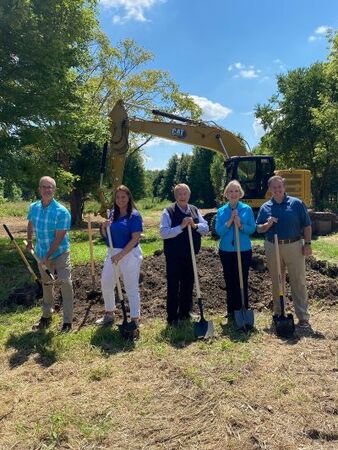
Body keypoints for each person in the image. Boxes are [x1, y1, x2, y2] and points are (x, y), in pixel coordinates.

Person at [256, 175, 312, 328]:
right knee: (277, 281)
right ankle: (279, 312)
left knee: (298, 280)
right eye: (274, 187)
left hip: (294, 245)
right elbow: (258, 228)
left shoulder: (296, 204)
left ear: (284, 187)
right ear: (270, 190)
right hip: (272, 246)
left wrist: (307, 243)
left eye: (279, 187)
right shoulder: (265, 207)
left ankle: (303, 317)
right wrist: (267, 225)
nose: (277, 190)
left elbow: (307, 225)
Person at [27, 176, 73, 332]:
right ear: (39, 189)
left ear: (55, 190)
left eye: (50, 187)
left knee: (65, 282)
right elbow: (30, 222)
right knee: (46, 285)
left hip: (60, 253)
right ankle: (46, 316)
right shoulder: (33, 207)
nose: (47, 190)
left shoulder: (62, 212)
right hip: (41, 253)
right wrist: (29, 240)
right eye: (44, 187)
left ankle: (67, 322)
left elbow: (59, 239)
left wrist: (46, 257)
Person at [160, 183, 209, 326]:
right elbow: (163, 232)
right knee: (174, 285)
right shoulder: (168, 211)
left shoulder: (194, 210)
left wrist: (195, 226)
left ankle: (185, 313)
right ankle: (172, 317)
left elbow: (205, 228)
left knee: (188, 284)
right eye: (179, 194)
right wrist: (181, 226)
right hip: (174, 256)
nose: (182, 197)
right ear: (175, 196)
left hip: (191, 254)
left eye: (185, 194)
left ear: (189, 195)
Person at [97, 185, 143, 327]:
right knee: (106, 283)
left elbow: (135, 238)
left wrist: (121, 255)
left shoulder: (134, 215)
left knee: (131, 287)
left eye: (123, 197)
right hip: (113, 253)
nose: (120, 200)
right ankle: (109, 313)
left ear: (129, 197)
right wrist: (104, 227)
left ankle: (135, 318)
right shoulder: (112, 214)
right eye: (118, 197)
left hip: (129, 254)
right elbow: (107, 236)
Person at [215, 180, 256, 322]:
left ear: (240, 194)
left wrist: (241, 225)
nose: (233, 194)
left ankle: (242, 308)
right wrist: (230, 221)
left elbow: (252, 228)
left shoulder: (247, 209)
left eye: (236, 191)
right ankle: (231, 310)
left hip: (243, 250)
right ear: (226, 194)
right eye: (230, 191)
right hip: (226, 251)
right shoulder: (221, 211)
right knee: (229, 279)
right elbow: (219, 231)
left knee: (242, 279)